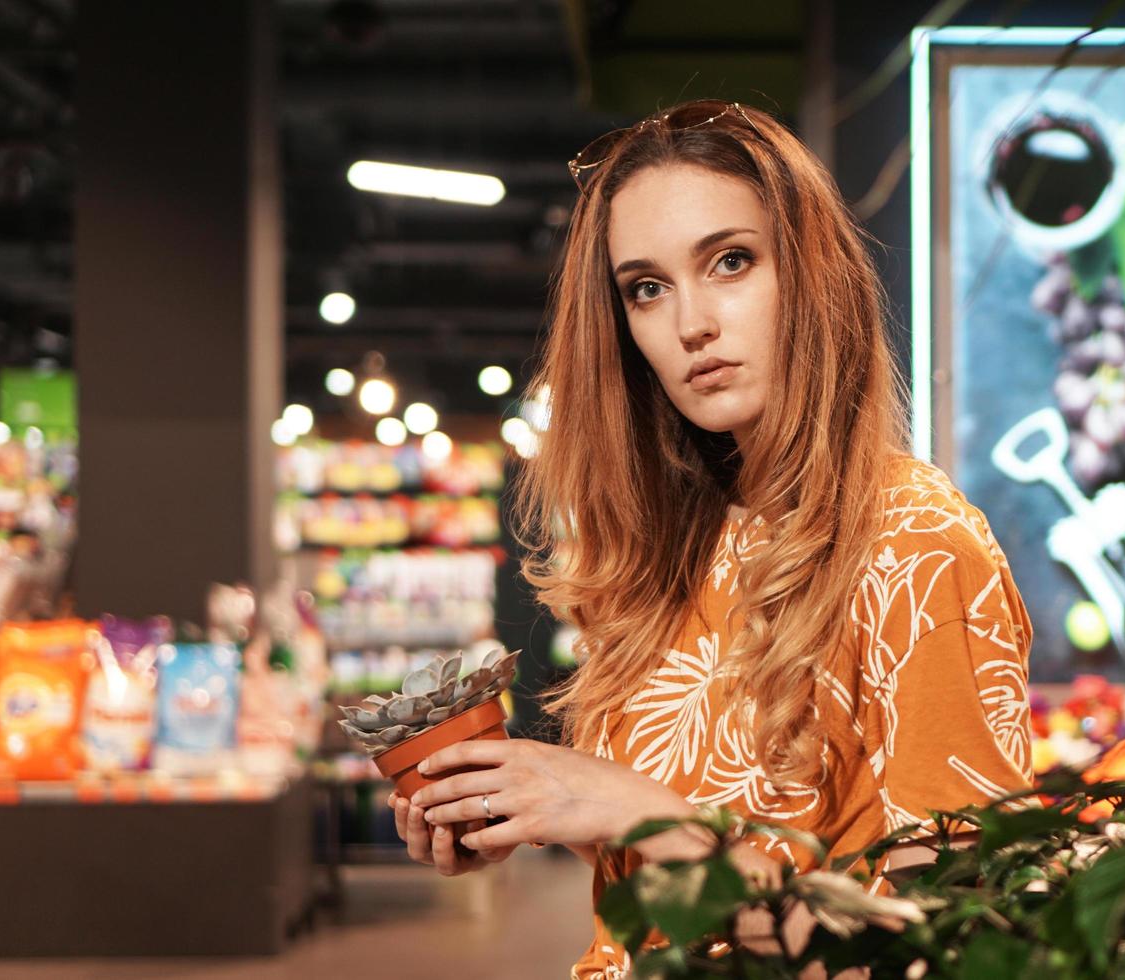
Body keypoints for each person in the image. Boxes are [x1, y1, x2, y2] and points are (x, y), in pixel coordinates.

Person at [390, 99, 1034, 978]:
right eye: (646, 288)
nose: (690, 322)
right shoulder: (676, 548)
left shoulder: (916, 545)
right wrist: (526, 807)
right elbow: (687, 872)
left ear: (812, 275)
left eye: (731, 262)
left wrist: (626, 810)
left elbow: (948, 943)